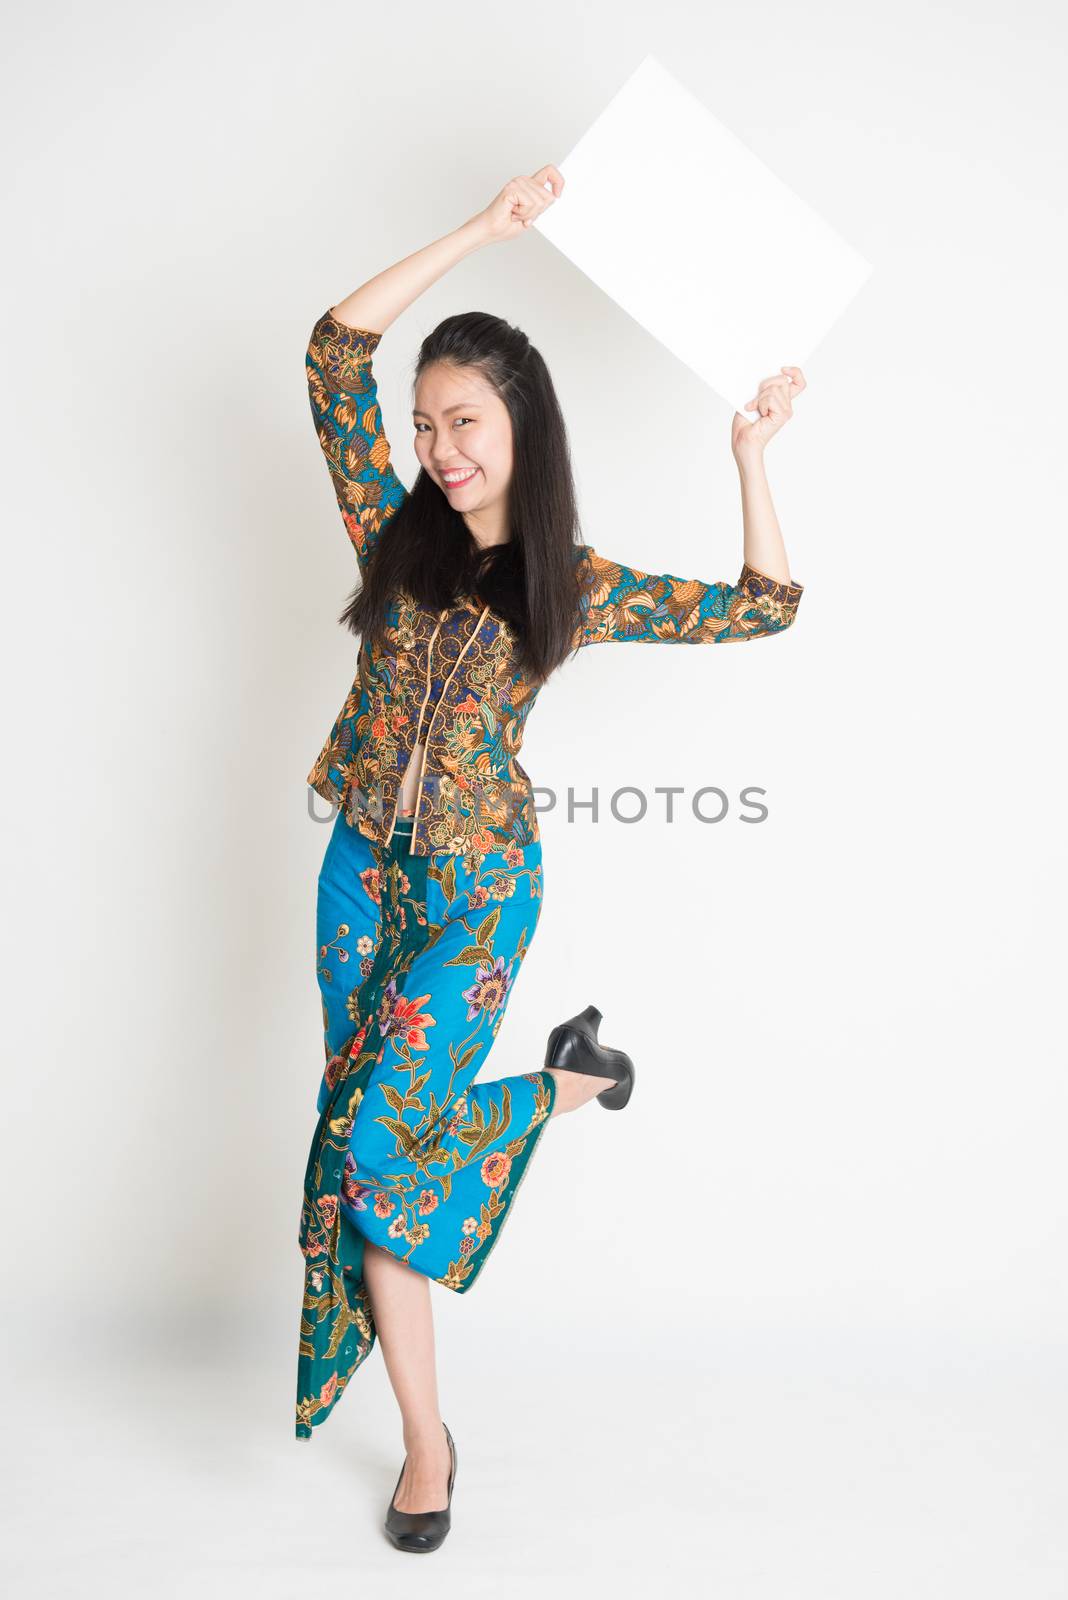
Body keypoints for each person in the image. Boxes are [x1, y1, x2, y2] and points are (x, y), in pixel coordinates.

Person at [295, 164, 806, 1553]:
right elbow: (333, 353)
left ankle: (422, 1451)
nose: (440, 445)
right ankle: (579, 1081)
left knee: (386, 1163)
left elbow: (761, 612)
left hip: (477, 896)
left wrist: (749, 459)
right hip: (358, 875)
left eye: (463, 420)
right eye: (426, 423)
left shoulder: (565, 583)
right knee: (363, 1161)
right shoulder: (389, 532)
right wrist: (480, 230)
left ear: (519, 422)